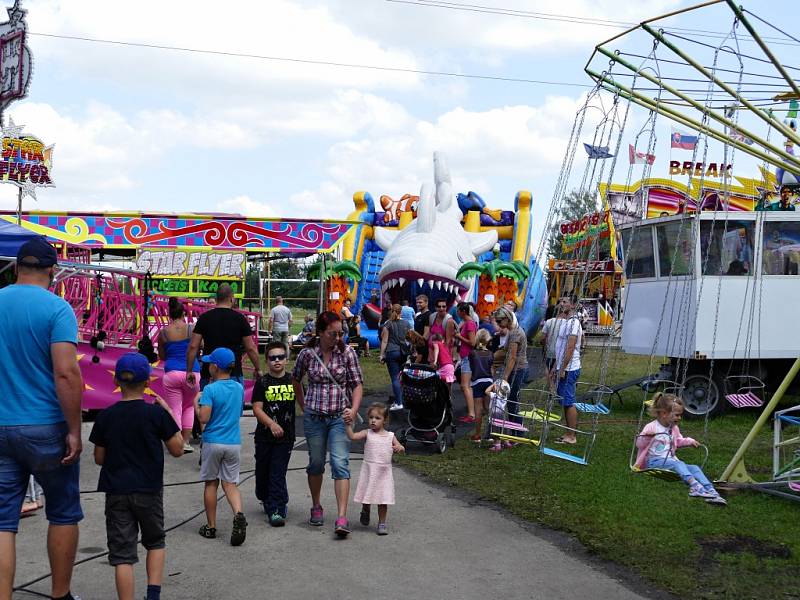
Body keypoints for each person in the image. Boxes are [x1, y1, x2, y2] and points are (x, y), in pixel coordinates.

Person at [0, 236, 84, 600]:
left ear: (16, 267)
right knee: (63, 511)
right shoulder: (57, 310)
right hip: (47, 426)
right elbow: (66, 374)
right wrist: (75, 430)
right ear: (53, 272)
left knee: (3, 521)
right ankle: (60, 594)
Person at [89, 352, 184, 600]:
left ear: (116, 382)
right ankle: (153, 595)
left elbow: (99, 458)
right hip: (149, 490)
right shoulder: (155, 415)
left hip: (117, 491)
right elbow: (178, 449)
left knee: (122, 554)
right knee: (155, 541)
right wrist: (168, 412)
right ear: (148, 382)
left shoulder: (106, 416)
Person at [292, 311, 363, 538]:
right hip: (314, 417)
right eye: (333, 334)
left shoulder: (347, 353)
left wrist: (353, 408)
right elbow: (296, 378)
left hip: (338, 418)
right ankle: (316, 505)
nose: (338, 338)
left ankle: (342, 516)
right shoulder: (307, 354)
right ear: (320, 333)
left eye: (341, 333)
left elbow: (357, 384)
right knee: (315, 463)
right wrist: (303, 406)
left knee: (340, 463)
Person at [634, 393, 726, 505]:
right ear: (664, 413)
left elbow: (678, 441)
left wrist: (690, 441)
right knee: (678, 464)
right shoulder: (652, 427)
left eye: (680, 415)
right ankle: (694, 486)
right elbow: (639, 444)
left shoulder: (674, 428)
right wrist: (648, 437)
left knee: (694, 468)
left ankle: (711, 491)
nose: (679, 418)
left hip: (670, 462)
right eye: (677, 415)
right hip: (653, 462)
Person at [197, 348, 248, 546]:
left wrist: (197, 404)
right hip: (233, 442)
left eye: (210, 363)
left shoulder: (210, 390)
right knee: (230, 483)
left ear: (215, 367)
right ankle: (239, 514)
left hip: (213, 441)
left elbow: (204, 418)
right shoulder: (238, 387)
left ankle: (211, 527)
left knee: (211, 483)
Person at [186, 283, 260, 404]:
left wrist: (189, 370)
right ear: (232, 299)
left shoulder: (204, 318)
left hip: (209, 373)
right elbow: (250, 348)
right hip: (233, 372)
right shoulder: (240, 318)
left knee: (208, 412)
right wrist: (257, 368)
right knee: (232, 413)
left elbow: (193, 346)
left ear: (216, 299)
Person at [251, 342, 297, 526]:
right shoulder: (262, 383)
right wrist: (270, 424)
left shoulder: (292, 381)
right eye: (272, 358)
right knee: (263, 473)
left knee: (277, 472)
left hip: (285, 438)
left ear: (286, 359)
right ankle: (267, 497)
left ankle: (277, 508)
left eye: (280, 357)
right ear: (267, 360)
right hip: (264, 437)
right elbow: (256, 408)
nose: (277, 361)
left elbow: (303, 402)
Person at [346, 402, 405, 535]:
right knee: (367, 496)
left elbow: (400, 447)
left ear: (385, 420)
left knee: (383, 500)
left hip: (384, 473)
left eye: (377, 418)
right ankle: (365, 509)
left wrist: (399, 448)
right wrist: (348, 425)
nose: (373, 420)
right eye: (371, 417)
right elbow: (353, 437)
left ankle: (382, 523)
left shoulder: (390, 436)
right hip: (370, 470)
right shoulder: (367, 433)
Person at [158, 297, 200, 452]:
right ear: (184, 313)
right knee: (189, 406)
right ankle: (186, 442)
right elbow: (199, 346)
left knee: (175, 408)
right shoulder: (192, 329)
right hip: (192, 372)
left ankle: (176, 443)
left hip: (172, 373)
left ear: (169, 315)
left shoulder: (163, 333)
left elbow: (162, 356)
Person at [551, 297, 582, 444]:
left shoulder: (574, 323)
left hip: (570, 368)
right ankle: (568, 432)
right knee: (564, 401)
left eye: (565, 302)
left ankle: (572, 436)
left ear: (573, 305)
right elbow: (560, 347)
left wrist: (562, 368)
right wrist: (555, 366)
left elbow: (570, 348)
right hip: (562, 367)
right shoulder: (566, 322)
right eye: (560, 301)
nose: (561, 304)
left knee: (569, 401)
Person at [493, 307, 528, 427]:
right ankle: (514, 430)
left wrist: (505, 377)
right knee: (511, 402)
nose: (497, 324)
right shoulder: (512, 331)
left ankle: (517, 433)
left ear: (507, 319)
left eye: (499, 321)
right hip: (516, 368)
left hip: (517, 369)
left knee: (513, 402)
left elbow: (512, 357)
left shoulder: (515, 334)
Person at [380, 304, 411, 412]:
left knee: (394, 378)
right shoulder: (407, 323)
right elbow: (410, 339)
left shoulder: (388, 324)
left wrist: (382, 354)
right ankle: (401, 399)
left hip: (392, 352)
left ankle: (399, 402)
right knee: (402, 378)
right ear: (401, 312)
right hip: (403, 352)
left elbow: (384, 340)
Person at [469, 329, 495, 442]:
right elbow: (492, 370)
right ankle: (490, 433)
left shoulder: (473, 353)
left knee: (478, 409)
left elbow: (471, 367)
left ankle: (478, 434)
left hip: (477, 381)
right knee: (489, 408)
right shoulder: (490, 354)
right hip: (488, 381)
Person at [455, 302, 478, 424]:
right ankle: (472, 411)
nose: (457, 313)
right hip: (465, 357)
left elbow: (472, 342)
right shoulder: (467, 323)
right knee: (466, 386)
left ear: (463, 311)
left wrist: (459, 337)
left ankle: (471, 413)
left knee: (465, 386)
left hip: (467, 357)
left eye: (458, 311)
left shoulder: (469, 324)